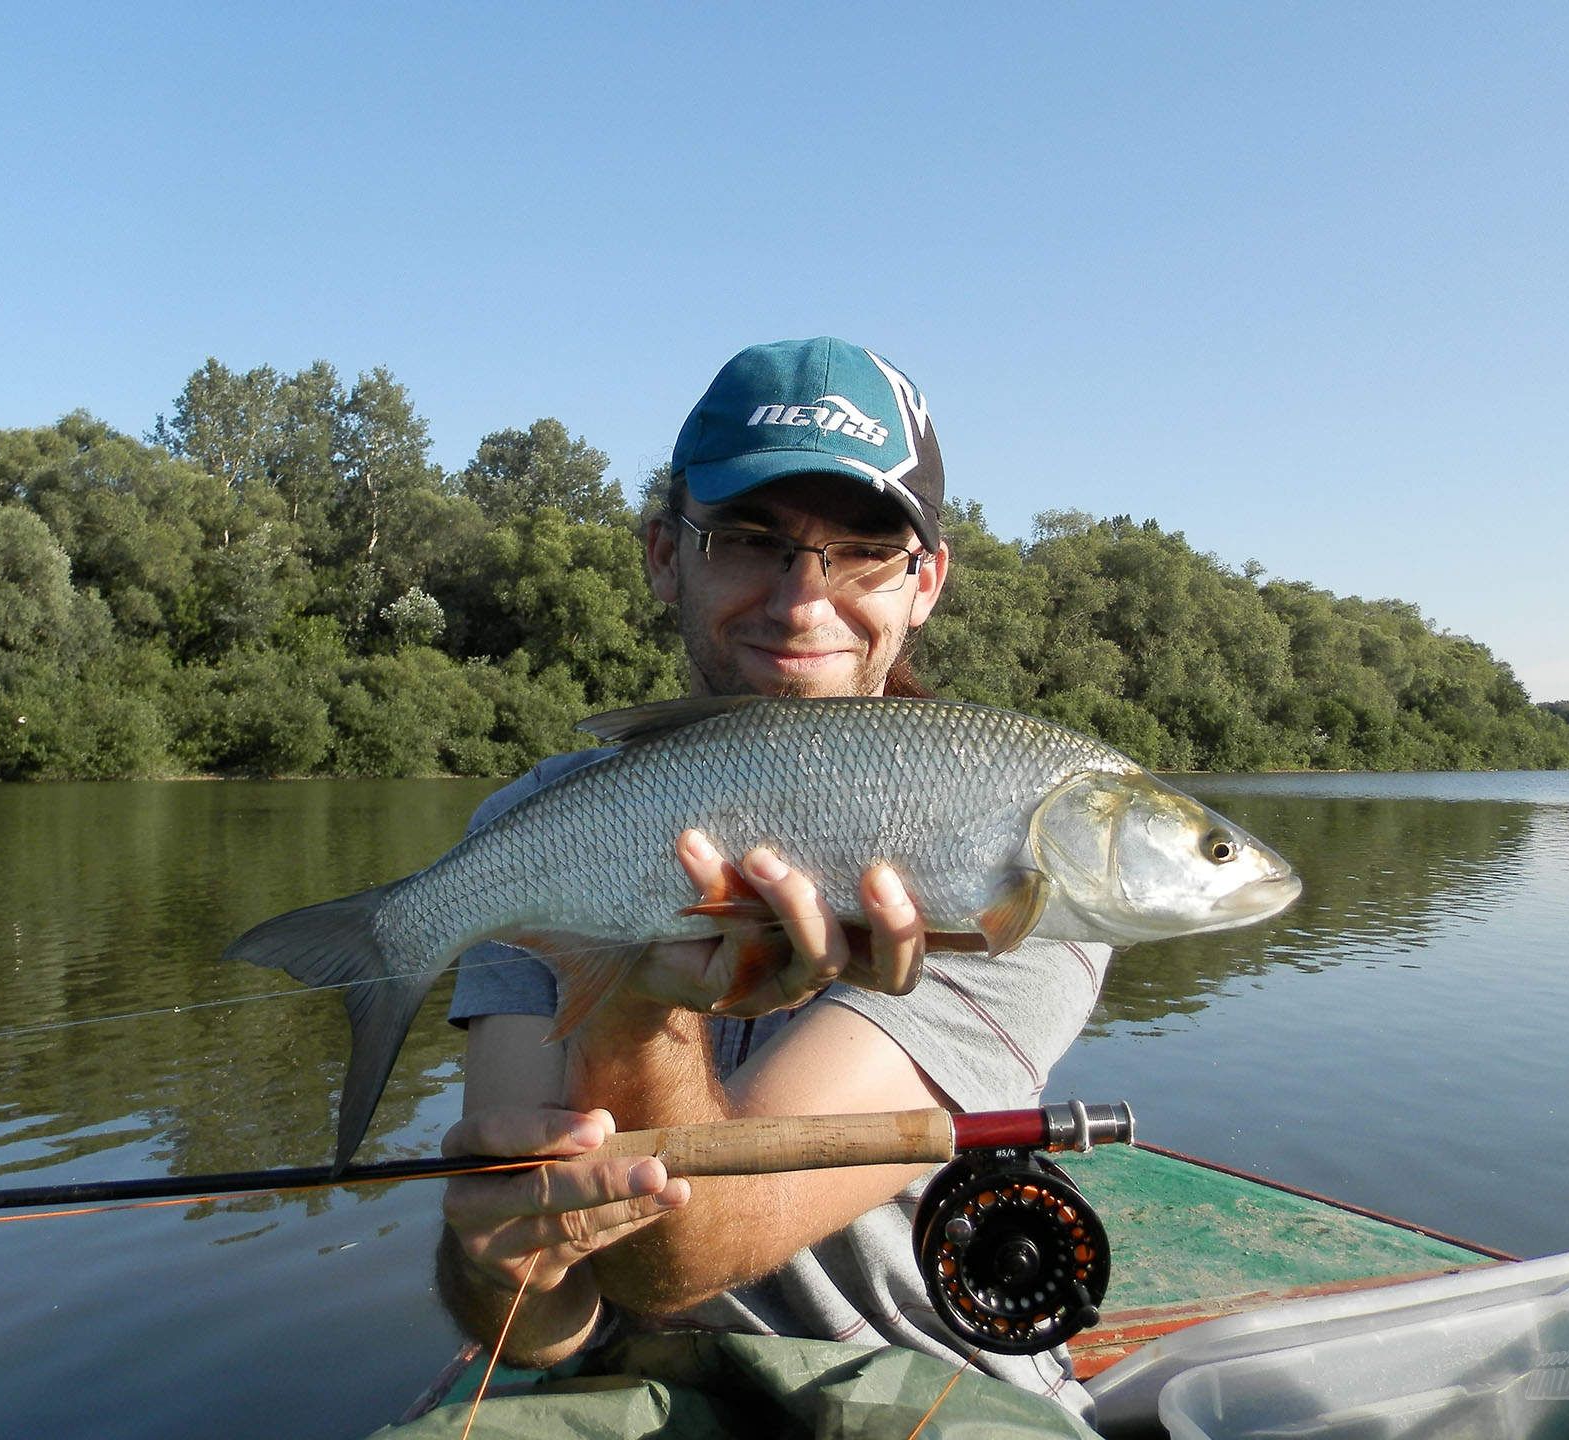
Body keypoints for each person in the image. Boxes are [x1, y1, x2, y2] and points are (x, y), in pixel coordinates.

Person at [433, 337, 1111, 1416]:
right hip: (613, 1380)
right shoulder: (535, 830)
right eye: (750, 540)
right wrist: (500, 1259)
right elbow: (548, 1324)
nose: (803, 602)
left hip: (927, 1380)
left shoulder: (1012, 865)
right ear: (665, 554)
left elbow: (678, 1257)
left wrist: (633, 1016)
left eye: (863, 553)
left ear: (924, 582)